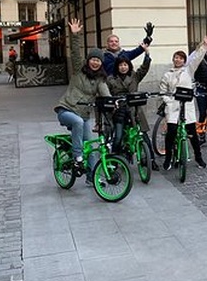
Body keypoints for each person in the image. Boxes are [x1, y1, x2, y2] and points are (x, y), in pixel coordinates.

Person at [53, 19, 111, 176]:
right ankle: (77, 156)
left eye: (98, 60)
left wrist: (114, 102)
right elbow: (75, 53)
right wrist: (75, 35)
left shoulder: (100, 79)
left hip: (84, 114)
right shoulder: (79, 70)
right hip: (66, 109)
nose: (95, 62)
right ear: (88, 60)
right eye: (93, 59)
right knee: (77, 122)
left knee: (91, 148)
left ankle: (92, 177)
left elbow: (105, 93)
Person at [159, 35, 207, 170]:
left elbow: (197, 58)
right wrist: (169, 102)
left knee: (192, 134)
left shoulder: (188, 71)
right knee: (171, 132)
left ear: (184, 60)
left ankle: (199, 157)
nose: (178, 60)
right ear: (173, 59)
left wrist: (204, 46)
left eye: (180, 58)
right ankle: (168, 158)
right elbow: (163, 92)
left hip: (187, 105)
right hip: (173, 106)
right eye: (176, 57)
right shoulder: (167, 75)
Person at [106, 48, 157, 170]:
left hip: (135, 110)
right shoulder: (110, 79)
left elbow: (144, 68)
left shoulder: (134, 76)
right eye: (121, 65)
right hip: (119, 111)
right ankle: (114, 160)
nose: (123, 67)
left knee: (144, 136)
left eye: (125, 65)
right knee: (118, 137)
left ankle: (150, 160)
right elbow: (106, 95)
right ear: (117, 67)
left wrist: (147, 54)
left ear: (129, 66)